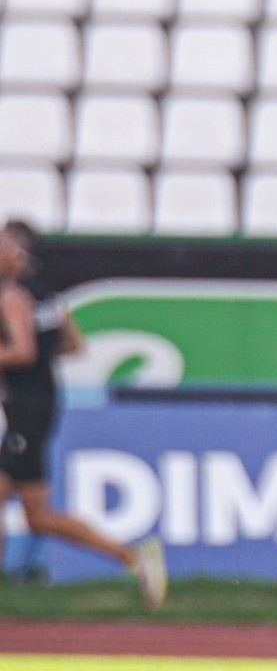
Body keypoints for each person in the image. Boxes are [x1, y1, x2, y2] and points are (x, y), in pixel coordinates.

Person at [0, 219, 167, 608]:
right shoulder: (46, 295)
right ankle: (132, 557)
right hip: (43, 403)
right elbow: (73, 344)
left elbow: (22, 351)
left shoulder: (12, 295)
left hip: (26, 408)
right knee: (37, 516)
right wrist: (39, 359)